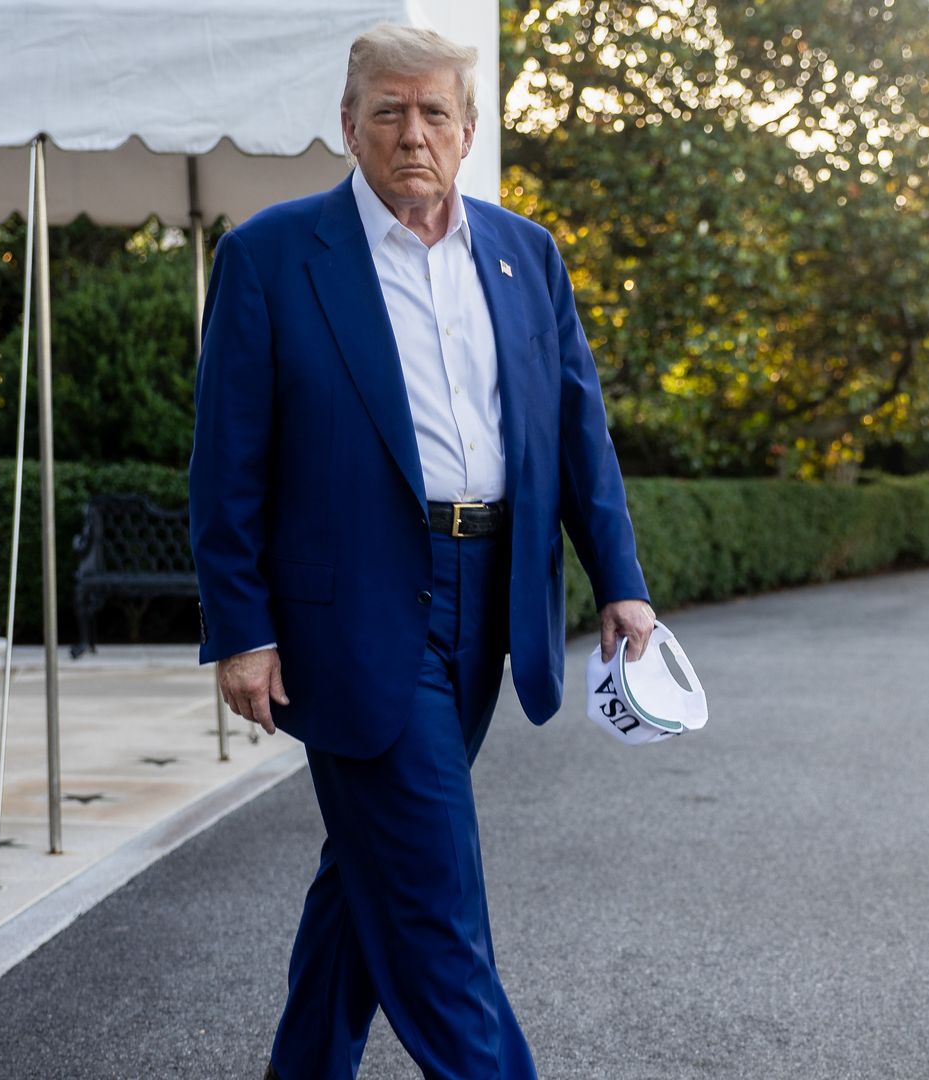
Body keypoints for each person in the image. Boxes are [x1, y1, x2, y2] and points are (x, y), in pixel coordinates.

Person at [188, 23, 654, 1080]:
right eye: (388, 111)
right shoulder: (271, 257)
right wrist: (242, 629)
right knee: (434, 894)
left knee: (371, 874)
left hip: (488, 597)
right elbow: (226, 466)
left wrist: (621, 584)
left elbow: (576, 433)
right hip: (345, 618)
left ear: (468, 129)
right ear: (349, 123)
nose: (412, 133)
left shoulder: (525, 253)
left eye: (433, 112)